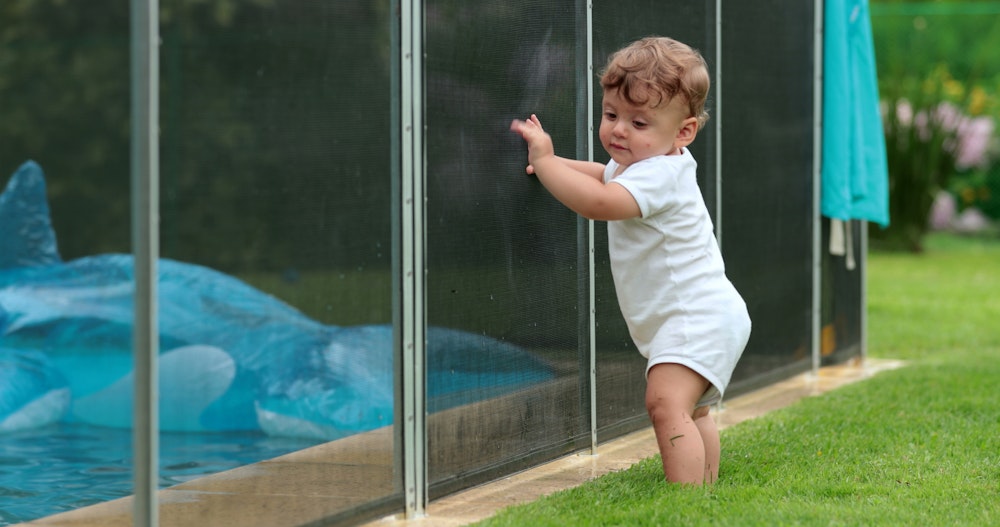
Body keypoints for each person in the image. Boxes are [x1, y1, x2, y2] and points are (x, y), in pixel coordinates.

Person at [509, 36, 751, 485]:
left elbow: (599, 202)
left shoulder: (659, 174)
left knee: (665, 405)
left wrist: (545, 163)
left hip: (695, 318)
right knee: (691, 411)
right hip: (706, 315)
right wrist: (553, 164)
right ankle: (705, 492)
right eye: (611, 115)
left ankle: (685, 499)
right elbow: (601, 175)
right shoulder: (644, 163)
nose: (619, 130)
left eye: (638, 122)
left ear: (684, 132)